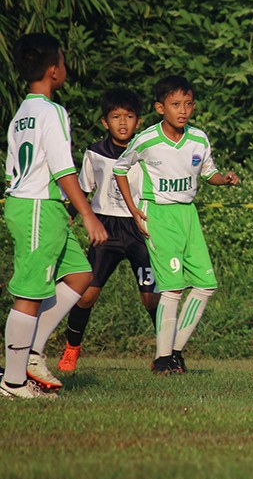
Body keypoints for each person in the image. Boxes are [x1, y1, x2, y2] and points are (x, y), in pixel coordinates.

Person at [2, 33, 108, 399]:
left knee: (79, 276)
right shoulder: (53, 111)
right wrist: (88, 213)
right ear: (53, 70)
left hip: (37, 205)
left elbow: (15, 167)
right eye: (62, 61)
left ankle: (31, 353)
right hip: (37, 207)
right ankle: (13, 382)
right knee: (30, 292)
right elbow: (63, 168)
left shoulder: (21, 114)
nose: (65, 68)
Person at [113, 75, 239, 374]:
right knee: (172, 288)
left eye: (188, 104)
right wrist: (134, 210)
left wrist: (225, 179)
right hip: (159, 215)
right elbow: (120, 168)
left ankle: (175, 352)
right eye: (175, 104)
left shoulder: (198, 138)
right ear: (160, 108)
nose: (182, 110)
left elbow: (209, 172)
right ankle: (162, 358)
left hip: (188, 216)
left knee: (206, 285)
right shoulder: (147, 140)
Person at [57, 88, 160, 372]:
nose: (123, 122)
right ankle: (71, 349)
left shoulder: (148, 151)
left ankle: (167, 355)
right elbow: (83, 190)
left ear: (139, 121)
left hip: (140, 228)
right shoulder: (95, 152)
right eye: (116, 117)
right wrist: (69, 216)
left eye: (129, 116)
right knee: (87, 293)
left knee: (151, 297)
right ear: (105, 122)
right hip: (106, 229)